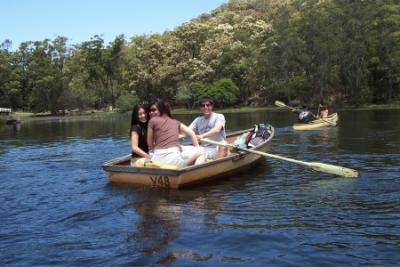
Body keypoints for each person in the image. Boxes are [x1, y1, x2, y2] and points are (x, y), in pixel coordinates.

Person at [147, 100, 205, 167]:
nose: (151, 113)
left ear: (161, 109)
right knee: (201, 150)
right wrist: (197, 149)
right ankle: (194, 173)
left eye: (153, 110)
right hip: (172, 161)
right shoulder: (176, 122)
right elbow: (192, 133)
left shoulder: (152, 121)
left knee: (183, 148)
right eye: (150, 110)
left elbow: (149, 143)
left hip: (156, 159)